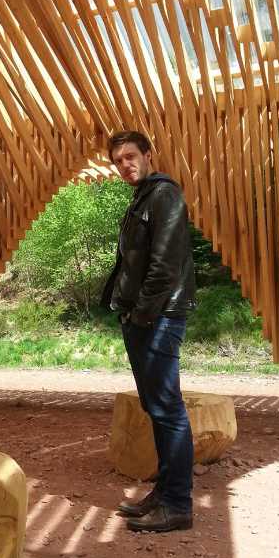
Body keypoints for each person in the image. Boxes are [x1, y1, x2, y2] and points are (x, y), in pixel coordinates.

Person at [101, 130, 196, 533]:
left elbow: (164, 267)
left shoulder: (164, 195)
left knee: (168, 408)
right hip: (144, 317)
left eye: (129, 156)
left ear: (148, 154)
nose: (124, 165)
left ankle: (177, 504)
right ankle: (165, 491)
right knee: (156, 406)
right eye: (117, 161)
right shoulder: (142, 198)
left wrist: (140, 315)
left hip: (159, 317)